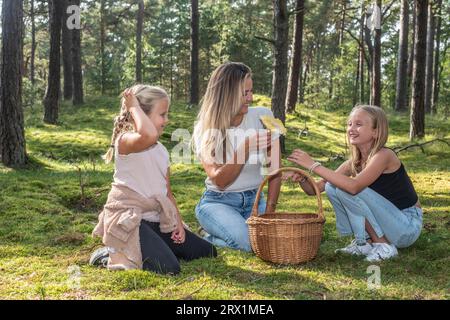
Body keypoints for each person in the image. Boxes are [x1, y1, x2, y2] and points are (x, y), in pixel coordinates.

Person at [90, 84, 216, 275]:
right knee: (168, 268)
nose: (167, 120)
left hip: (155, 218)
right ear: (140, 114)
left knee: (207, 252)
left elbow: (167, 192)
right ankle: (113, 253)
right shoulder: (125, 141)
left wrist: (178, 223)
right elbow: (147, 134)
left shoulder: (161, 151)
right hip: (130, 219)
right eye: (162, 114)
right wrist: (133, 106)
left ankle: (155, 246)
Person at [285, 105, 422, 262]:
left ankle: (383, 245)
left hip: (406, 226)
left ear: (376, 132)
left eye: (358, 124)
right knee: (333, 186)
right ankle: (364, 242)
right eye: (349, 124)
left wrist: (313, 165)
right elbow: (315, 189)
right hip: (389, 224)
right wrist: (303, 178)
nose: (351, 128)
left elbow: (354, 186)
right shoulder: (354, 162)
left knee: (347, 187)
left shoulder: (384, 155)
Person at [192, 62, 282, 252]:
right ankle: (205, 237)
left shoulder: (265, 116)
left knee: (270, 240)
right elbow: (220, 180)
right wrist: (245, 148)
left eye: (251, 91)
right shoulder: (205, 128)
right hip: (218, 201)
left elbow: (274, 171)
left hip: (256, 200)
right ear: (228, 95)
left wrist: (270, 212)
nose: (251, 98)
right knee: (250, 244)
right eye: (245, 93)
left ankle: (218, 234)